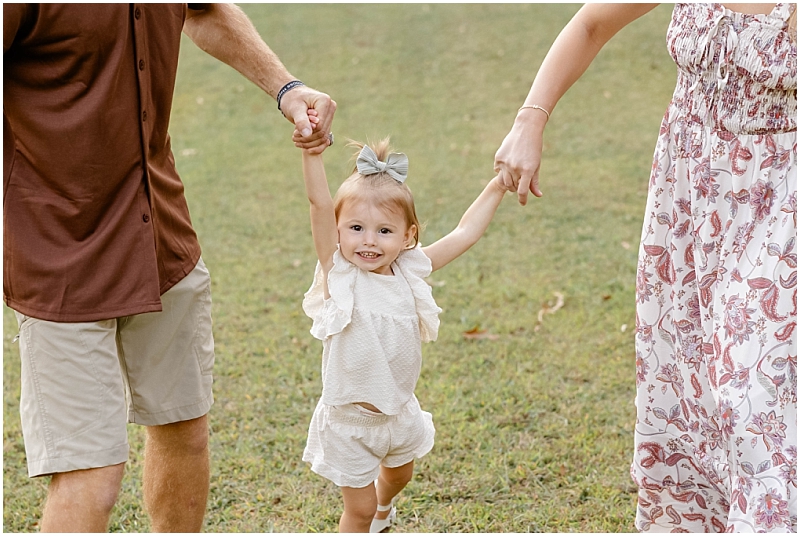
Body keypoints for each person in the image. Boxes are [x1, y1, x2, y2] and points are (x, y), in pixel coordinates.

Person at [3, 4, 335, 532]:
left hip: (161, 235)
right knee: (92, 473)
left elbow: (203, 11)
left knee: (183, 427)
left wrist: (286, 89)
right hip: (59, 254)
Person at [494, 2, 796, 532]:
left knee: (757, 385)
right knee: (686, 377)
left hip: (779, 198)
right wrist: (529, 120)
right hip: (686, 198)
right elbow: (591, 24)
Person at [295, 127, 511, 532]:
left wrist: (497, 185)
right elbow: (319, 203)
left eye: (384, 231)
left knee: (398, 478)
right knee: (356, 512)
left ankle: (385, 508)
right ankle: (369, 516)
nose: (369, 242)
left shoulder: (410, 270)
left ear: (408, 236)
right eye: (355, 228)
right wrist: (311, 154)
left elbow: (465, 233)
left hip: (399, 413)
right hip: (351, 422)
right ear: (338, 230)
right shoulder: (339, 273)